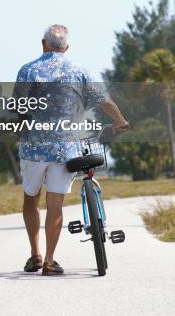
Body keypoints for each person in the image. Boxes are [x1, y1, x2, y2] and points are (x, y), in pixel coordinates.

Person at [14, 25, 129, 276]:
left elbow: (18, 107)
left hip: (34, 146)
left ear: (44, 43)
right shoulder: (79, 70)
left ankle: (34, 254)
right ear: (66, 47)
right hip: (65, 147)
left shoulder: (28, 70)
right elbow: (103, 100)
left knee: (30, 198)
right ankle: (49, 261)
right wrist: (120, 119)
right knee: (55, 202)